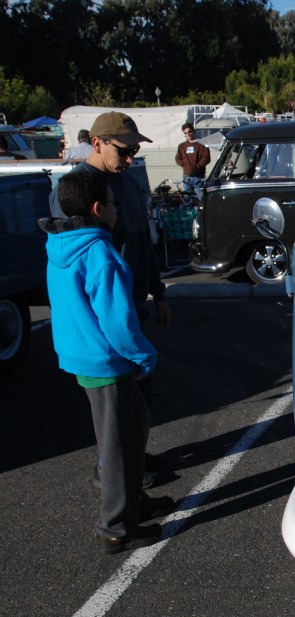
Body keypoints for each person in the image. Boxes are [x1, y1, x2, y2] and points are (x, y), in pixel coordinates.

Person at [39, 173, 174, 553]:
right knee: (118, 447)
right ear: (99, 210)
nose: (118, 209)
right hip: (107, 361)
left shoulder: (60, 244)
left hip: (82, 357)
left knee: (133, 428)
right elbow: (118, 321)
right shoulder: (100, 254)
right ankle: (115, 527)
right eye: (114, 204)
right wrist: (143, 353)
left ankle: (133, 503)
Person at [49, 111, 173, 485]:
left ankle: (133, 458)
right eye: (124, 150)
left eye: (135, 150)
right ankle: (112, 473)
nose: (131, 158)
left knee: (138, 402)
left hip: (132, 308)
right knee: (114, 412)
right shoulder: (75, 190)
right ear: (98, 143)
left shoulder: (129, 182)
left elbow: (142, 242)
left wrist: (159, 293)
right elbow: (71, 261)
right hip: (105, 319)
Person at [174, 123, 210, 198]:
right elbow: (177, 158)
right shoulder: (182, 146)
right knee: (187, 199)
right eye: (186, 133)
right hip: (186, 177)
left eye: (189, 131)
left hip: (198, 177)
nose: (188, 134)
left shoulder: (202, 144)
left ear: (193, 131)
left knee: (201, 199)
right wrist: (184, 164)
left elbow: (206, 158)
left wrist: (196, 167)